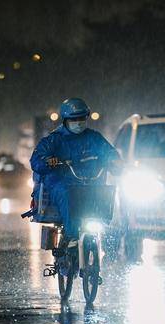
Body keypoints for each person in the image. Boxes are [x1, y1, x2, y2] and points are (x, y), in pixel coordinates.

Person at [30, 98, 122, 247]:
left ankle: (110, 241)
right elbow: (36, 160)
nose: (79, 122)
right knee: (67, 194)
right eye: (74, 119)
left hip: (90, 184)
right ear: (66, 120)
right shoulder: (54, 140)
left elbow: (110, 153)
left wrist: (115, 162)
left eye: (82, 118)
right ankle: (70, 236)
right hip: (61, 184)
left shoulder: (94, 138)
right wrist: (48, 161)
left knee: (107, 197)